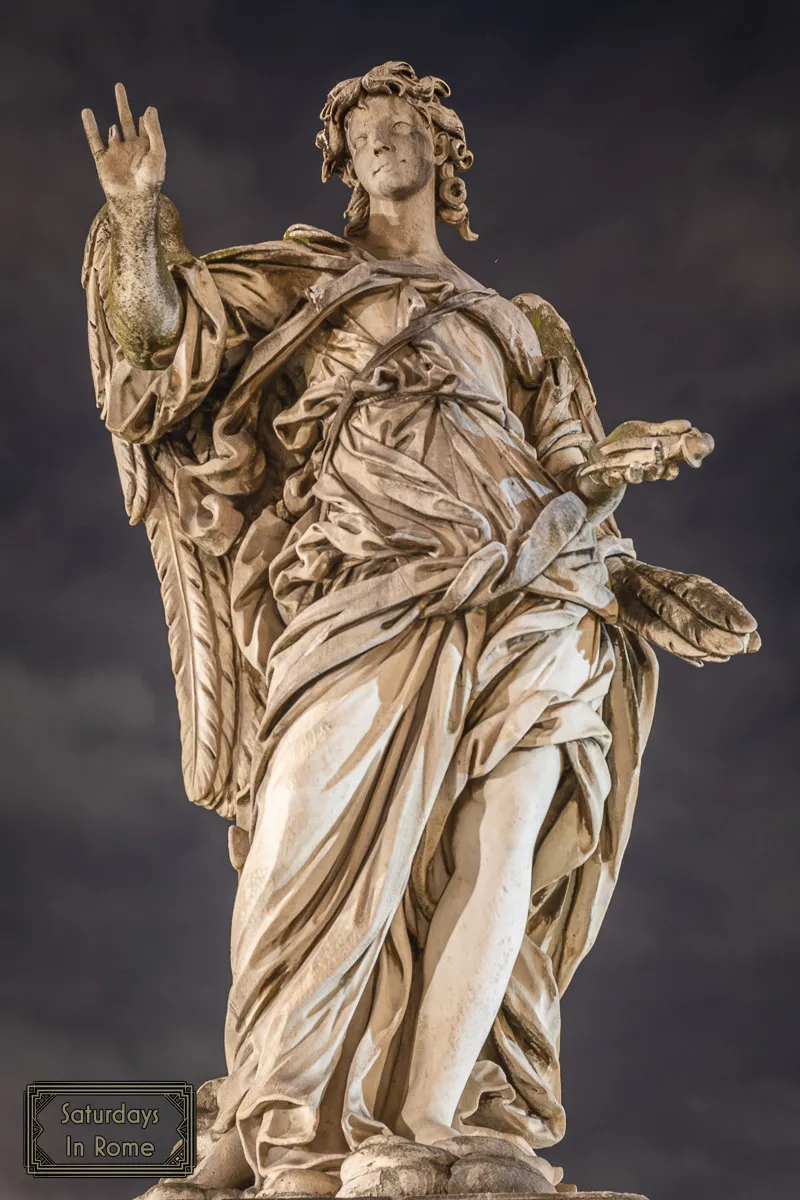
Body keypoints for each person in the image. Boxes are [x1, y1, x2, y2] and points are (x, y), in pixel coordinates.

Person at [81, 62, 757, 1198]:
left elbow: (565, 473)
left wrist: (616, 465)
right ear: (340, 161)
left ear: (444, 157)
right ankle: (276, 1121)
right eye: (364, 129)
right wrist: (137, 213)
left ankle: (440, 1122)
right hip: (356, 593)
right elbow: (154, 354)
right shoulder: (295, 284)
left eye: (407, 124)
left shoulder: (519, 325)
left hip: (533, 595)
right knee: (298, 853)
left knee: (499, 845)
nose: (387, 139)